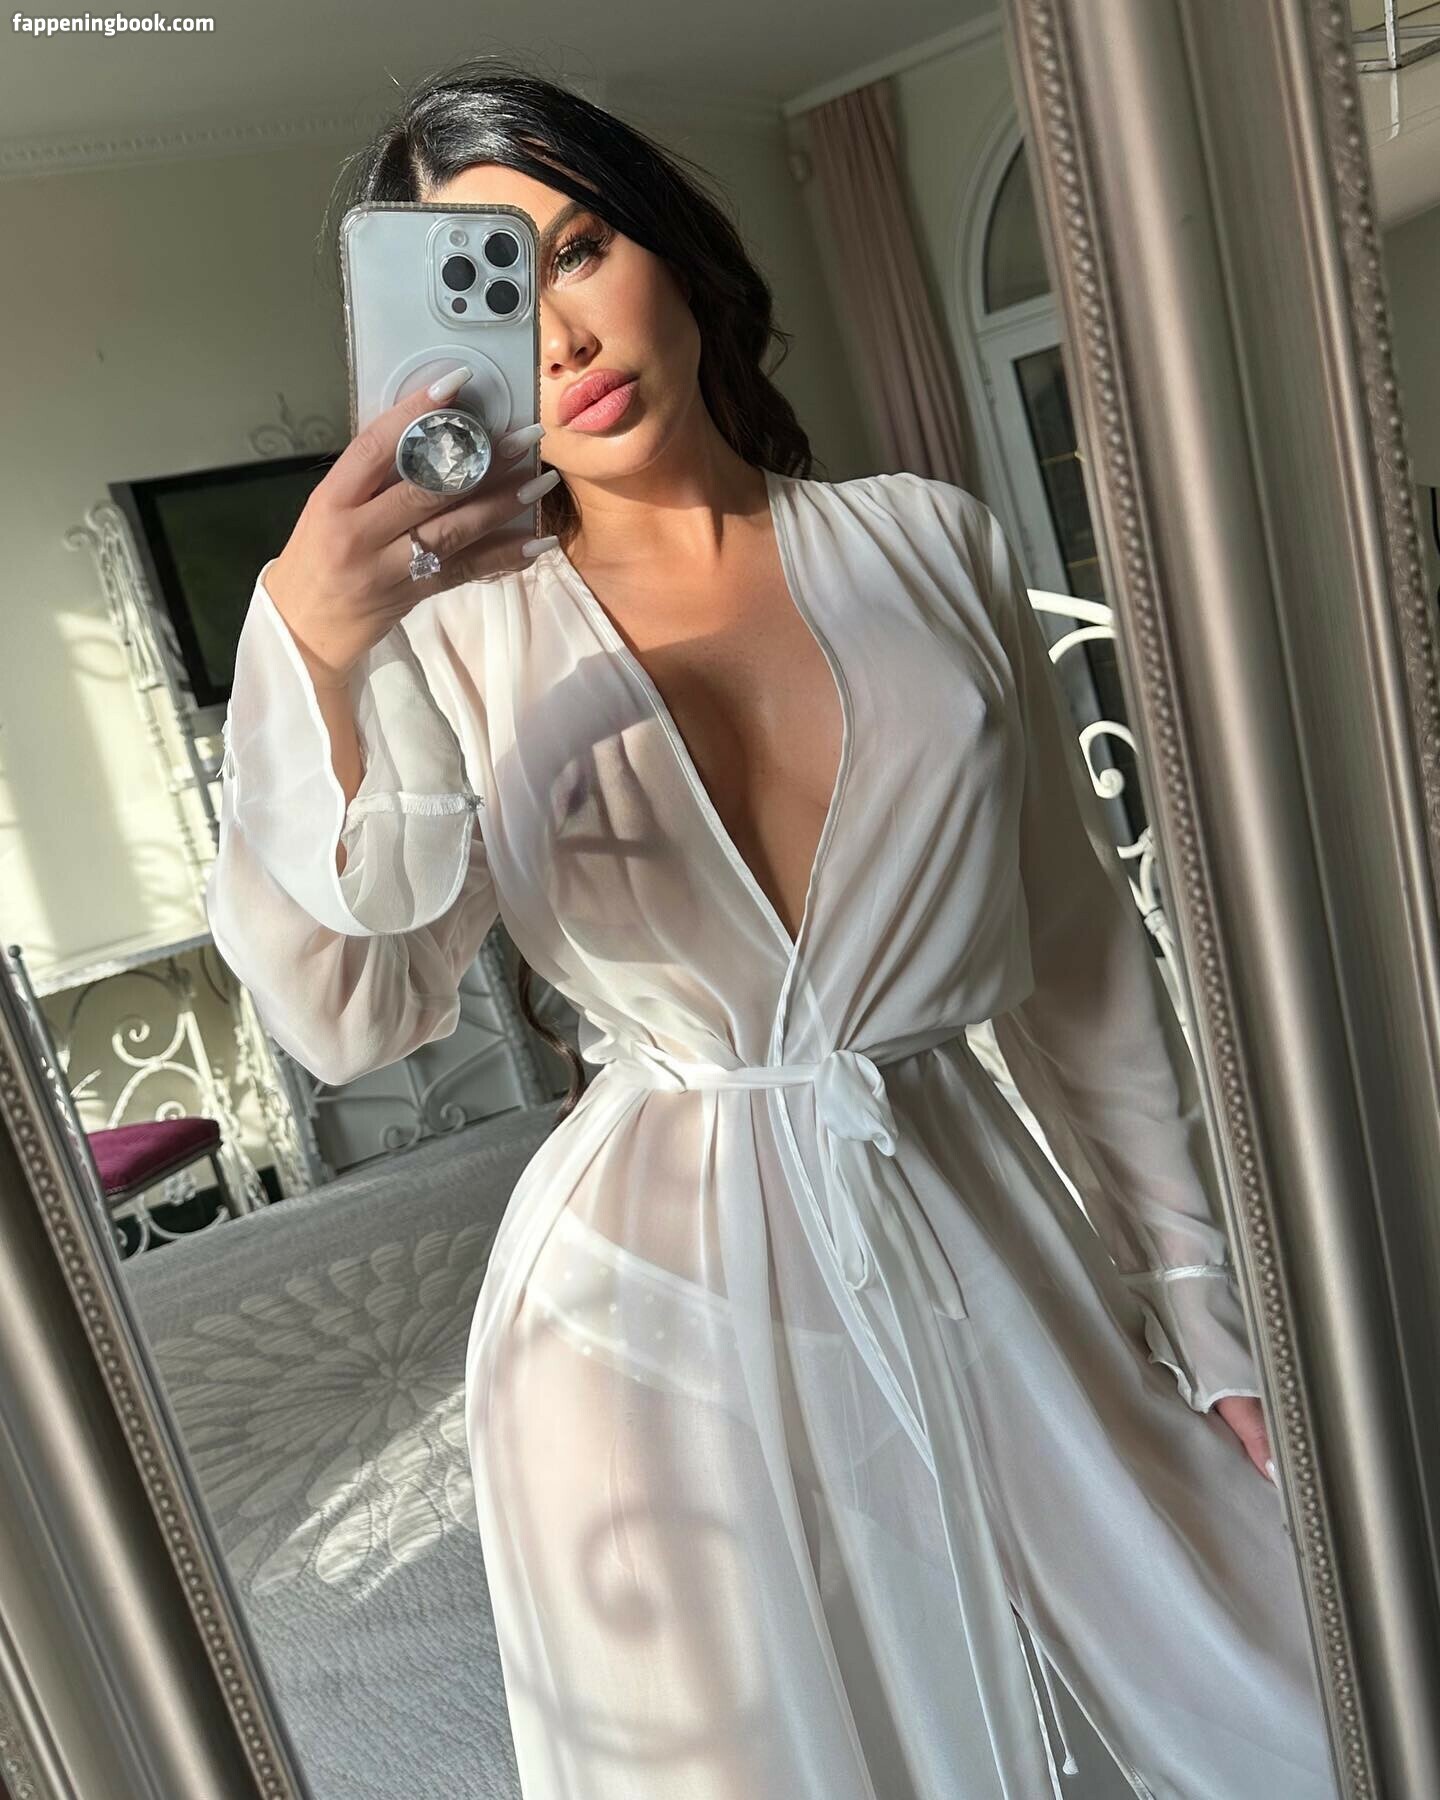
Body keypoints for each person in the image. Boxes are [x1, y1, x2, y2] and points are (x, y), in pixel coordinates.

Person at [204, 56, 1340, 1800]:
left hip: (975, 1223)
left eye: (579, 249)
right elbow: (354, 1017)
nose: (559, 338)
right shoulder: (454, 634)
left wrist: (1197, 1297)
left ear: (669, 246)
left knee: (1270, 1694)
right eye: (494, 299)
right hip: (636, 1326)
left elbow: (1083, 970)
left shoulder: (930, 547)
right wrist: (315, 640)